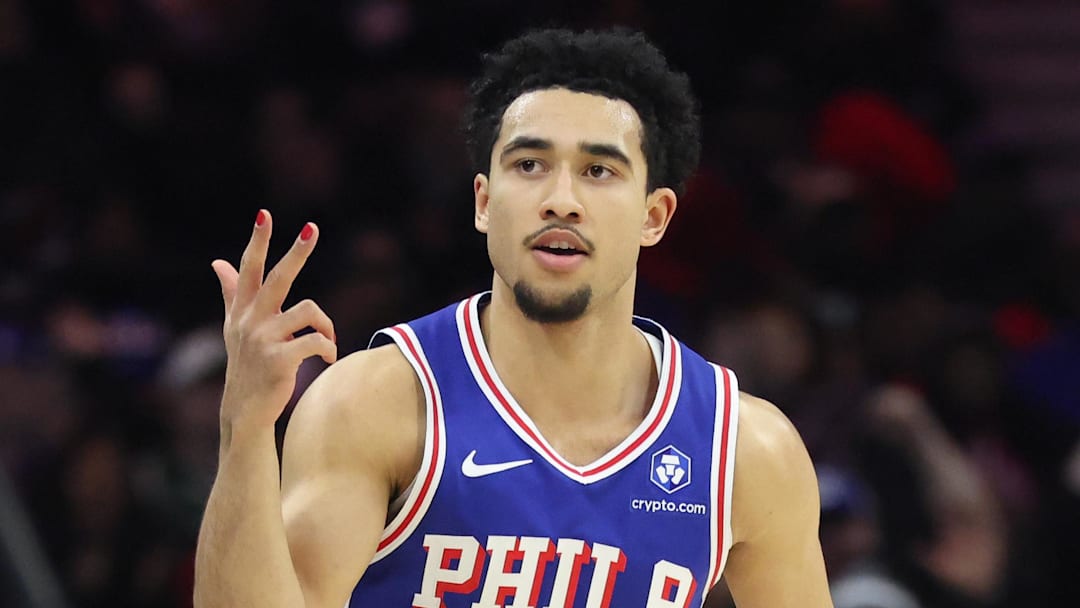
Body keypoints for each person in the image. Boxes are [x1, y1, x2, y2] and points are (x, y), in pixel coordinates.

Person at [194, 28, 832, 607]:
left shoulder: (744, 450)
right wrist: (243, 430)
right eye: (529, 165)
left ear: (654, 216)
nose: (561, 200)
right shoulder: (376, 401)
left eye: (599, 170)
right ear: (484, 201)